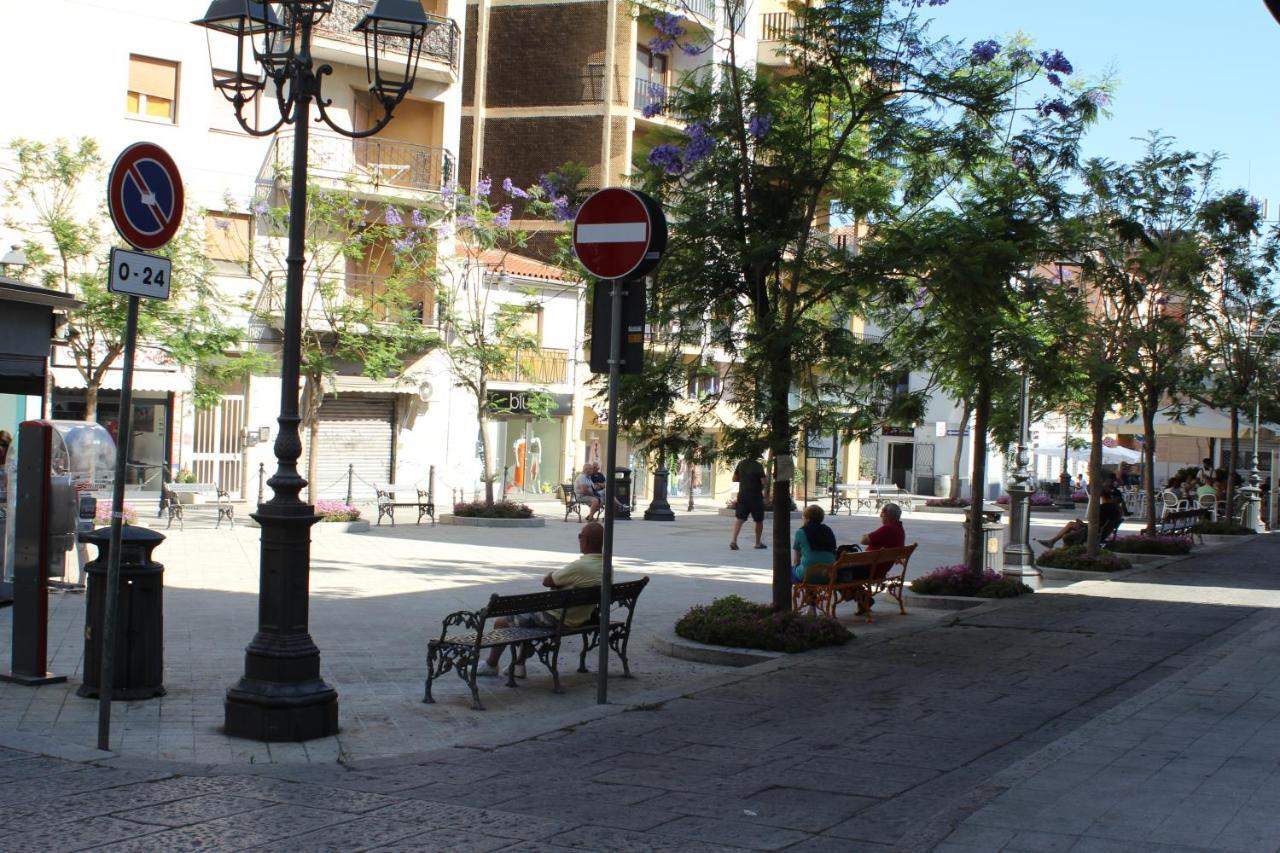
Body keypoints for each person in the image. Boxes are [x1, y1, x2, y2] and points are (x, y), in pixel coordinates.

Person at [479, 522, 604, 678]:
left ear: (586, 540)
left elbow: (548, 581)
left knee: (501, 622)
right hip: (581, 618)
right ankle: (518, 664)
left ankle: (491, 665)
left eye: (580, 536)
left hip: (557, 618)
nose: (579, 539)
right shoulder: (606, 566)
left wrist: (557, 578)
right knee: (527, 619)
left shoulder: (580, 566)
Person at [1037, 491, 1123, 550]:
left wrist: (1083, 524)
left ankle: (1061, 549)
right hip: (1101, 531)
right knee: (1071, 524)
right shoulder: (1117, 508)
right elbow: (1101, 523)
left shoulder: (1105, 507)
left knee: (1067, 537)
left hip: (1095, 532)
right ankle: (1052, 542)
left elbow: (1096, 525)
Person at [792, 504, 838, 582]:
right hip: (828, 575)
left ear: (807, 519)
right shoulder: (828, 530)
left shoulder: (800, 532)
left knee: (789, 571)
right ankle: (810, 594)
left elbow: (796, 560)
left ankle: (808, 593)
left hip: (807, 575)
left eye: (803, 516)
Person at [730, 453, 767, 550]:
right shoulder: (758, 466)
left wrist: (744, 479)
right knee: (759, 520)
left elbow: (734, 478)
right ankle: (758, 543)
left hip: (742, 495)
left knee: (740, 518)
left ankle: (734, 541)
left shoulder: (741, 463)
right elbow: (763, 481)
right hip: (755, 496)